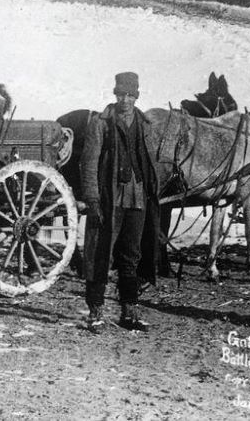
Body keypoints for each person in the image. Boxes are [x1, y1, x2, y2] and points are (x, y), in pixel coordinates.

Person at [79, 71, 160, 334]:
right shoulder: (100, 123)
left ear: (136, 96)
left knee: (131, 255)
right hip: (108, 198)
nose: (124, 99)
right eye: (120, 94)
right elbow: (89, 163)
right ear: (115, 95)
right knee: (100, 254)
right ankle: (96, 312)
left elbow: (151, 160)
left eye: (129, 94)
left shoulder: (145, 124)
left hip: (137, 197)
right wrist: (92, 198)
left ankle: (130, 310)